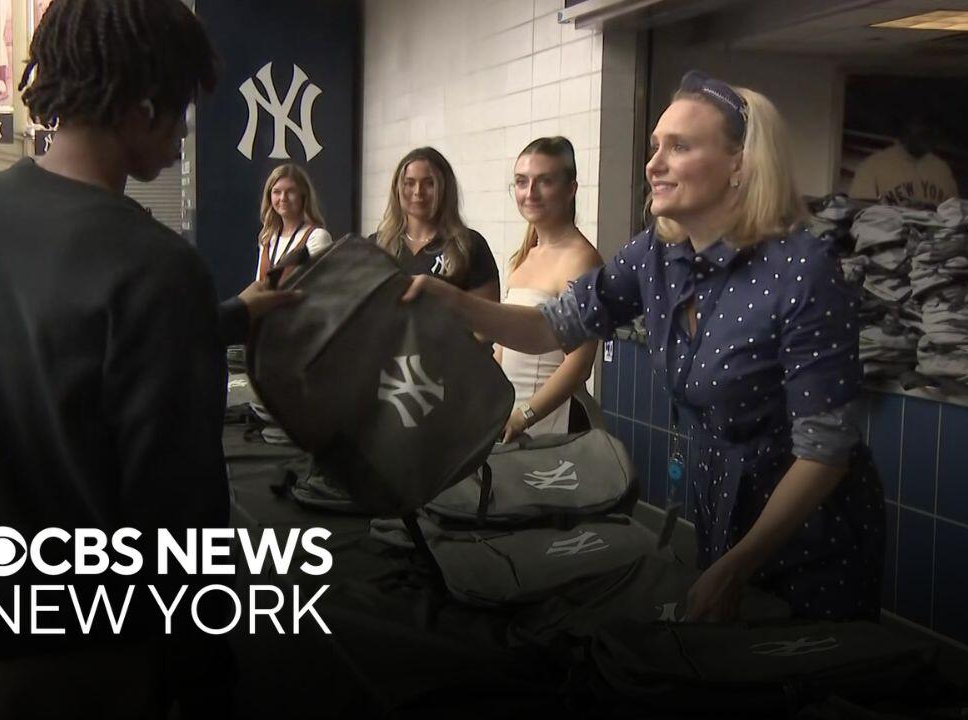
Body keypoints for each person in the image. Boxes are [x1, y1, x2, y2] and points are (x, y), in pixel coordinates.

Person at [0, 1, 294, 716]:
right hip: (76, 651)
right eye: (180, 110)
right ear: (142, 108)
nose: (183, 133)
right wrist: (205, 676)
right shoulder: (158, 266)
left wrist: (229, 315)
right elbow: (177, 512)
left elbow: (53, 339)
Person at [405, 70, 884, 623]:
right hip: (720, 508)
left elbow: (824, 451)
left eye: (679, 147)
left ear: (740, 164)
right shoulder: (657, 255)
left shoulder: (802, 270)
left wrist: (736, 566)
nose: (653, 163)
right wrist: (452, 301)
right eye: (655, 146)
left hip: (807, 531)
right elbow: (550, 327)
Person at [497, 137, 603, 441]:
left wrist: (524, 416)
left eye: (544, 181)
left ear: (571, 189)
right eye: (521, 181)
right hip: (510, 419)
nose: (530, 193)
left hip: (556, 421)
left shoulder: (581, 260)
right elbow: (504, 347)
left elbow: (579, 365)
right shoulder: (524, 256)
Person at [371, 147, 500, 301]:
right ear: (397, 189)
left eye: (429, 183)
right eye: (409, 183)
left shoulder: (469, 245)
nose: (418, 192)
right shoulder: (376, 245)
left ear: (445, 188)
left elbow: (488, 311)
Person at [849, 114, 958, 208]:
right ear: (904, 128)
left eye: (931, 127)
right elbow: (859, 210)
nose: (927, 132)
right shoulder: (873, 165)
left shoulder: (942, 169)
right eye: (920, 125)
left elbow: (955, 214)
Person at [254, 163, 331, 282]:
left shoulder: (317, 237)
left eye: (291, 191)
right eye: (277, 192)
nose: (283, 198)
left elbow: (320, 287)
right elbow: (258, 285)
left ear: (303, 196)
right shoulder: (267, 238)